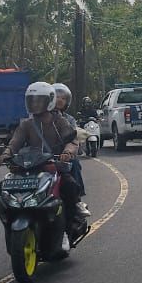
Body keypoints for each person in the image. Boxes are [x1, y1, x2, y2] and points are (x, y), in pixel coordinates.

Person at [0, 81, 88, 241]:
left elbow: (72, 140)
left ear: (49, 101)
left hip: (53, 166)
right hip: (30, 168)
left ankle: (71, 224)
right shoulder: (26, 124)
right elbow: (15, 142)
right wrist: (6, 154)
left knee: (69, 185)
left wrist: (67, 152)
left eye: (39, 100)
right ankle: (10, 223)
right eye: (32, 100)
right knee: (1, 189)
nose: (35, 103)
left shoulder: (59, 121)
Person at [51, 83, 89, 216]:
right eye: (56, 97)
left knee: (75, 164)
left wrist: (67, 153)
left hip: (62, 157)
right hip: (40, 158)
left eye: (63, 98)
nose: (60, 100)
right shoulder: (36, 118)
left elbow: (74, 139)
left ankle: (77, 201)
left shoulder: (69, 119)